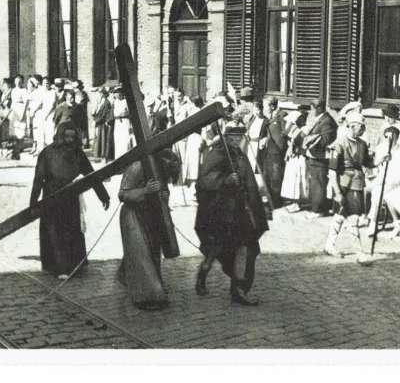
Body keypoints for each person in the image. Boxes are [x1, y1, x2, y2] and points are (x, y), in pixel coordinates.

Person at [194, 124, 269, 306]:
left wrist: (257, 204)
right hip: (219, 211)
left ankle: (239, 289)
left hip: (240, 211)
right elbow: (202, 182)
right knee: (216, 249)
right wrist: (223, 181)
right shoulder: (216, 154)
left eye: (239, 138)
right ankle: (202, 274)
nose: (236, 141)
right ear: (225, 137)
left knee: (245, 246)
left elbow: (249, 181)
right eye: (232, 138)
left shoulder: (239, 155)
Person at [30, 121, 110, 279]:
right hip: (51, 197)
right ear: (60, 136)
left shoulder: (78, 153)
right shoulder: (47, 153)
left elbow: (91, 175)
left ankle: (75, 264)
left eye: (73, 137)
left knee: (71, 231)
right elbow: (38, 179)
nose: (70, 140)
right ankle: (59, 267)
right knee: (55, 233)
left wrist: (103, 195)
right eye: (67, 136)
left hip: (70, 196)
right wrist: (33, 202)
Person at [117, 148, 180, 311]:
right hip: (132, 214)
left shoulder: (160, 171)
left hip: (151, 215)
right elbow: (123, 194)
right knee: (140, 254)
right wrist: (145, 191)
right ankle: (146, 296)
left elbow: (163, 190)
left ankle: (130, 276)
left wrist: (164, 196)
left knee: (151, 252)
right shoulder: (137, 167)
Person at [324, 112, 391, 264]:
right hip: (344, 184)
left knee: (341, 215)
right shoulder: (339, 144)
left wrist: (382, 159)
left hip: (357, 183)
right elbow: (332, 171)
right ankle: (360, 253)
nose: (363, 129)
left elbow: (369, 163)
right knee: (353, 217)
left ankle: (329, 245)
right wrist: (337, 192)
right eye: (361, 126)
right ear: (352, 126)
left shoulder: (361, 144)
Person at [302, 98, 338, 219]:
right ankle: (319, 208)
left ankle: (319, 210)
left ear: (320, 108)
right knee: (317, 183)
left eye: (313, 109)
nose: (312, 111)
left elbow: (325, 140)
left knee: (318, 184)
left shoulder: (326, 121)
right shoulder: (322, 119)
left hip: (320, 158)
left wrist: (310, 139)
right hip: (315, 157)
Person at [281, 106, 310, 212]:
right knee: (292, 179)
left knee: (299, 179)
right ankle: (294, 201)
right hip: (293, 157)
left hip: (300, 157)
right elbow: (285, 135)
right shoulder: (295, 129)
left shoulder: (305, 129)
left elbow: (297, 141)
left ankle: (299, 203)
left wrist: (291, 134)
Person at [261, 95, 288, 207]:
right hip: (269, 150)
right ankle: (270, 199)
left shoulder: (282, 115)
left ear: (272, 106)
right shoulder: (269, 116)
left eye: (265, 106)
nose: (264, 108)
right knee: (268, 176)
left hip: (277, 151)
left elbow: (286, 132)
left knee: (276, 176)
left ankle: (276, 201)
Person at [183, 96, 204, 189]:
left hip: (195, 136)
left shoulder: (195, 111)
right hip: (193, 136)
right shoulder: (198, 110)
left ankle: (193, 181)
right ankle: (192, 181)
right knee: (193, 159)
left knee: (194, 159)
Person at [91, 87, 113, 160]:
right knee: (98, 138)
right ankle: (99, 156)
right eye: (98, 93)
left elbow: (104, 115)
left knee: (103, 139)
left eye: (100, 93)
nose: (98, 94)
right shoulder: (100, 102)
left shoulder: (106, 102)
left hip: (103, 124)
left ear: (103, 94)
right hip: (98, 123)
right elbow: (96, 112)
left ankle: (104, 157)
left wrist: (96, 121)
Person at [112, 86, 132, 158]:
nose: (116, 94)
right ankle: (118, 157)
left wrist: (125, 114)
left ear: (122, 93)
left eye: (118, 92)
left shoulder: (126, 101)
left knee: (125, 139)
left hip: (125, 122)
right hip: (117, 123)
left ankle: (126, 156)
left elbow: (131, 113)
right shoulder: (115, 102)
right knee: (118, 139)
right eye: (115, 93)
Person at [73, 80, 90, 148]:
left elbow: (81, 103)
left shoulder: (81, 93)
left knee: (81, 128)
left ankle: (83, 143)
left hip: (81, 112)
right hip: (78, 112)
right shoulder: (79, 93)